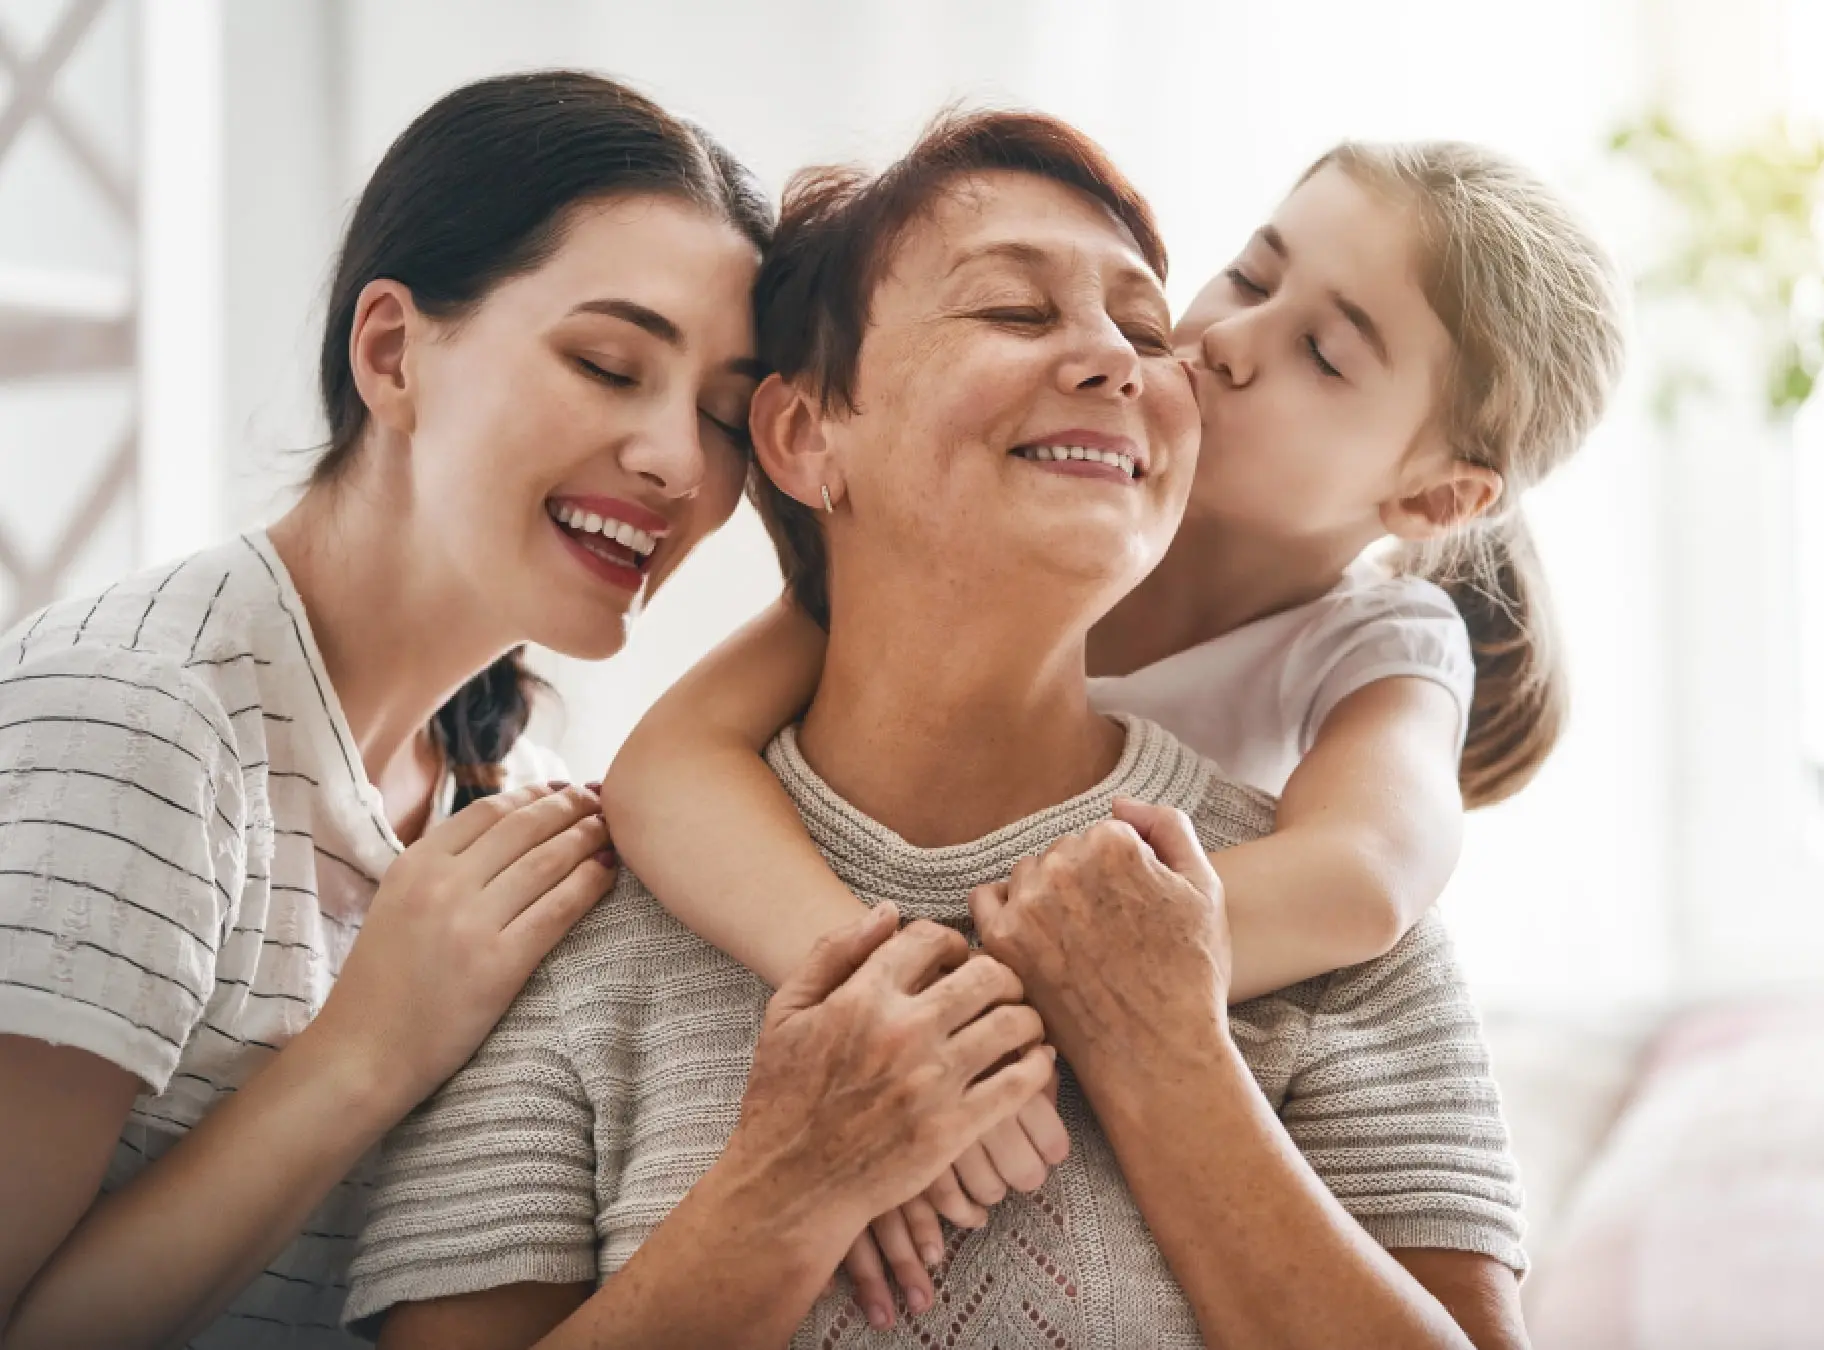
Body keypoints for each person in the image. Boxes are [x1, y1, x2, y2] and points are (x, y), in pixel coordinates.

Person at [349, 109, 1531, 1350]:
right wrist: (792, 1184)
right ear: (806, 436)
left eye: (1140, 326)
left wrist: (1165, 1058)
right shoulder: (557, 920)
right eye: (1016, 313)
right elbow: (663, 772)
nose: (1124, 360)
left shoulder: (1314, 918)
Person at [0, 71, 1005, 1349]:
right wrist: (368, 1050)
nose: (678, 463)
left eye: (718, 415)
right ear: (392, 352)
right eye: (605, 364)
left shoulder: (515, 797)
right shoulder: (138, 725)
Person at [600, 134, 1626, 1317]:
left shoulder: (1379, 641)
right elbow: (668, 767)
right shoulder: (987, 523)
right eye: (1248, 276)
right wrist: (890, 1008)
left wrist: (1049, 1001)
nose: (1224, 344)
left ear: (1434, 497)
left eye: (1324, 356)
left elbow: (1365, 876)